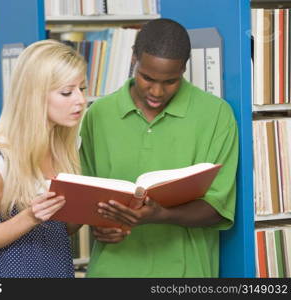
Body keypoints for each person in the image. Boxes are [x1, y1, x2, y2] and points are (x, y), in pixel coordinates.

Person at [79, 18, 239, 277]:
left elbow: (218, 209)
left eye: (170, 81)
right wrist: (99, 223)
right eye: (147, 78)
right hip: (110, 271)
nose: (157, 91)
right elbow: (84, 195)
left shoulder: (216, 115)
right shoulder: (99, 114)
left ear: (184, 68)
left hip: (186, 273)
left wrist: (160, 214)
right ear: (133, 59)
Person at [0, 39, 87, 278]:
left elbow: (64, 230)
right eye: (67, 92)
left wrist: (90, 208)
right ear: (35, 95)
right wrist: (30, 216)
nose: (80, 100)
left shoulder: (65, 151)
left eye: (81, 89)